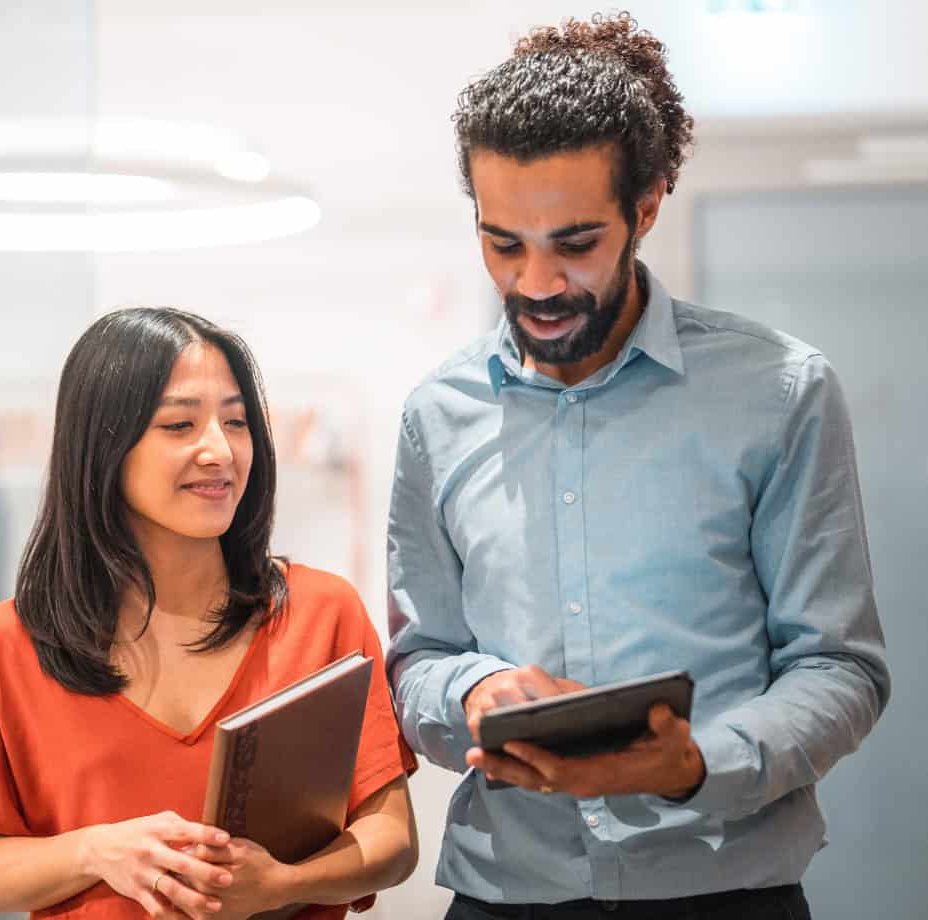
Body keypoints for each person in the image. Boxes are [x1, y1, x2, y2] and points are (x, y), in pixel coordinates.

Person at [385, 12, 889, 920]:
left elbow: (838, 668)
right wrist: (474, 691)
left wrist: (695, 763)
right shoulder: (436, 415)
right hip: (506, 894)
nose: (537, 283)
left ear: (646, 207)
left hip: (723, 891)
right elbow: (420, 658)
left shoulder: (780, 391)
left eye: (575, 244)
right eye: (504, 243)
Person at [0, 308, 418, 920]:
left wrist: (281, 884)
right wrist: (96, 851)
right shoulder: (14, 642)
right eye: (180, 424)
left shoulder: (323, 614)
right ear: (103, 445)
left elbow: (391, 840)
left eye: (236, 421)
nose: (219, 449)